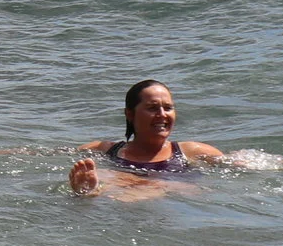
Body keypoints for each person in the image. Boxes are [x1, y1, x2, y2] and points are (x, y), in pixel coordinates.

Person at [68, 79, 226, 198]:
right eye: (152, 108)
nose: (163, 114)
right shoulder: (104, 151)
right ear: (130, 114)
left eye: (168, 108)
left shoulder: (192, 152)